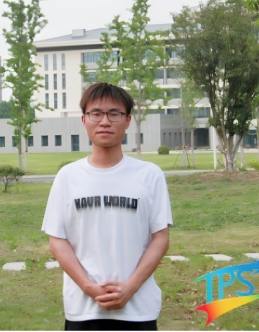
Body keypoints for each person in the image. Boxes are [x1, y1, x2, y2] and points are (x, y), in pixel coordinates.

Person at [42, 82, 173, 331]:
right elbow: (57, 240)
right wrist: (88, 287)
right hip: (83, 310)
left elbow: (161, 238)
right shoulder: (67, 176)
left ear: (128, 120)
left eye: (114, 114)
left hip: (138, 310)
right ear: (84, 120)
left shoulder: (149, 175)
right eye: (96, 114)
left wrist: (131, 287)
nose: (104, 122)